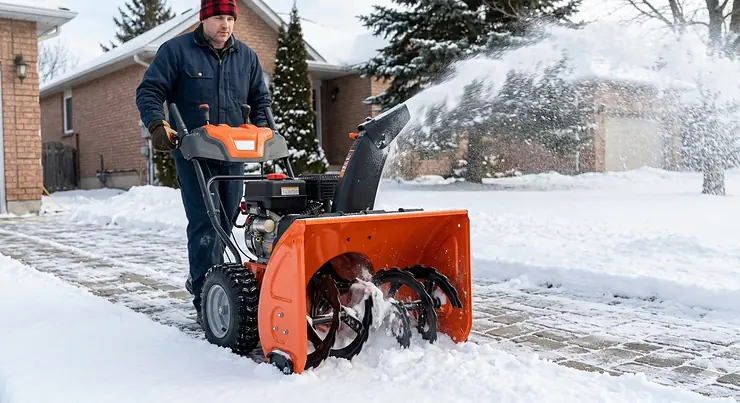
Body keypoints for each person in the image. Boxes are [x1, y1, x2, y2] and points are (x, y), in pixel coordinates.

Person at [135, 0, 271, 327]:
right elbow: (149, 90)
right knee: (205, 226)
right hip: (195, 152)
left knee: (225, 224)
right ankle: (204, 297)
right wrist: (157, 124)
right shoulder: (177, 51)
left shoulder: (247, 57)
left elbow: (260, 100)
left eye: (229, 18)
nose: (224, 25)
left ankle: (212, 281)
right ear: (203, 18)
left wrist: (268, 130)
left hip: (234, 155)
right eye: (217, 18)